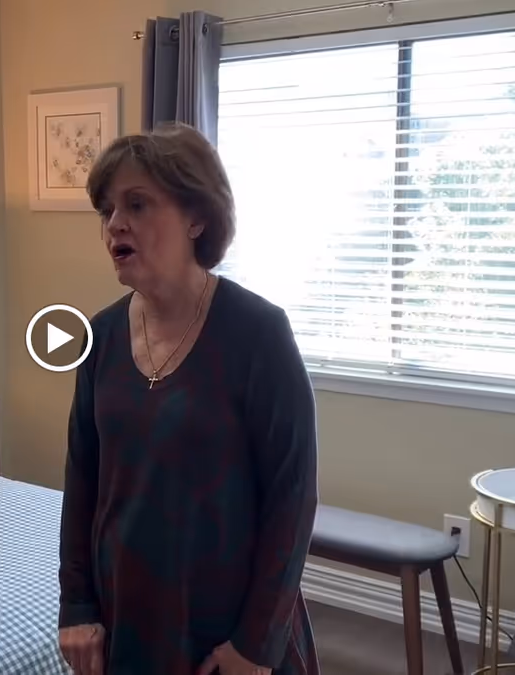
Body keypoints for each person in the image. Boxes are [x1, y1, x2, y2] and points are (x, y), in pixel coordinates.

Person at [56, 122, 321, 675]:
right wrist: (76, 606)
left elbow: (290, 503)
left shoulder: (259, 334)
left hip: (225, 622)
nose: (114, 225)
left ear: (196, 218)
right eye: (106, 210)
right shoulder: (100, 337)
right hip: (128, 614)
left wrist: (256, 644)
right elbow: (82, 482)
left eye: (137, 204)